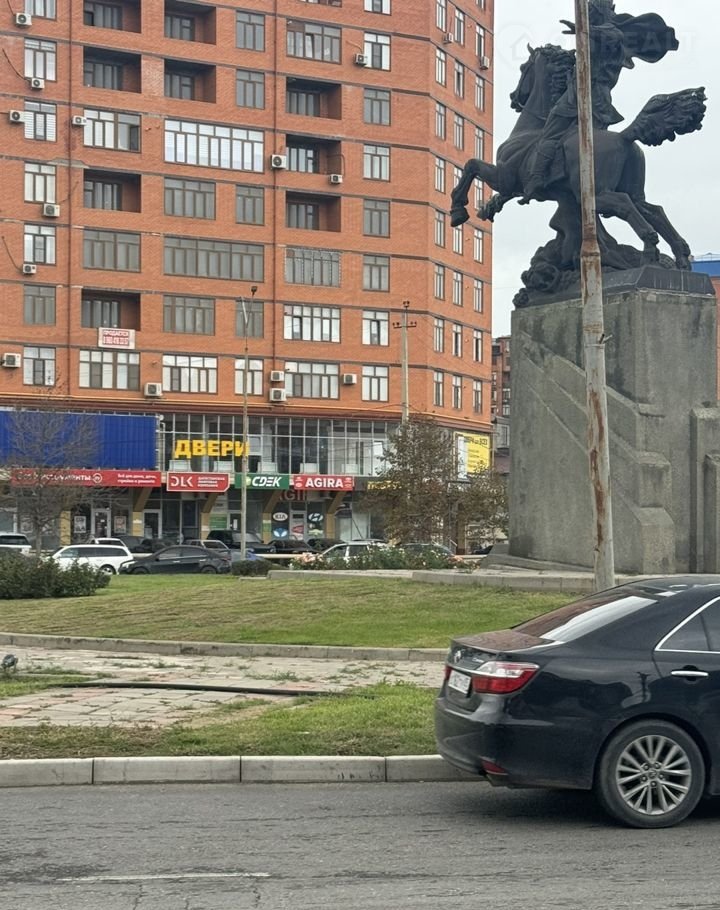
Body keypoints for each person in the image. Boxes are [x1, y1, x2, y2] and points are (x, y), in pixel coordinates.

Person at [519, 0, 678, 204]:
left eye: (591, 10)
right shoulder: (606, 34)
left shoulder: (610, 32)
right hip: (597, 99)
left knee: (551, 129)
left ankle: (536, 178)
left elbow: (611, 36)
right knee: (572, 139)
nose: (588, 13)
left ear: (597, 11)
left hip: (583, 95)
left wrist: (583, 29)